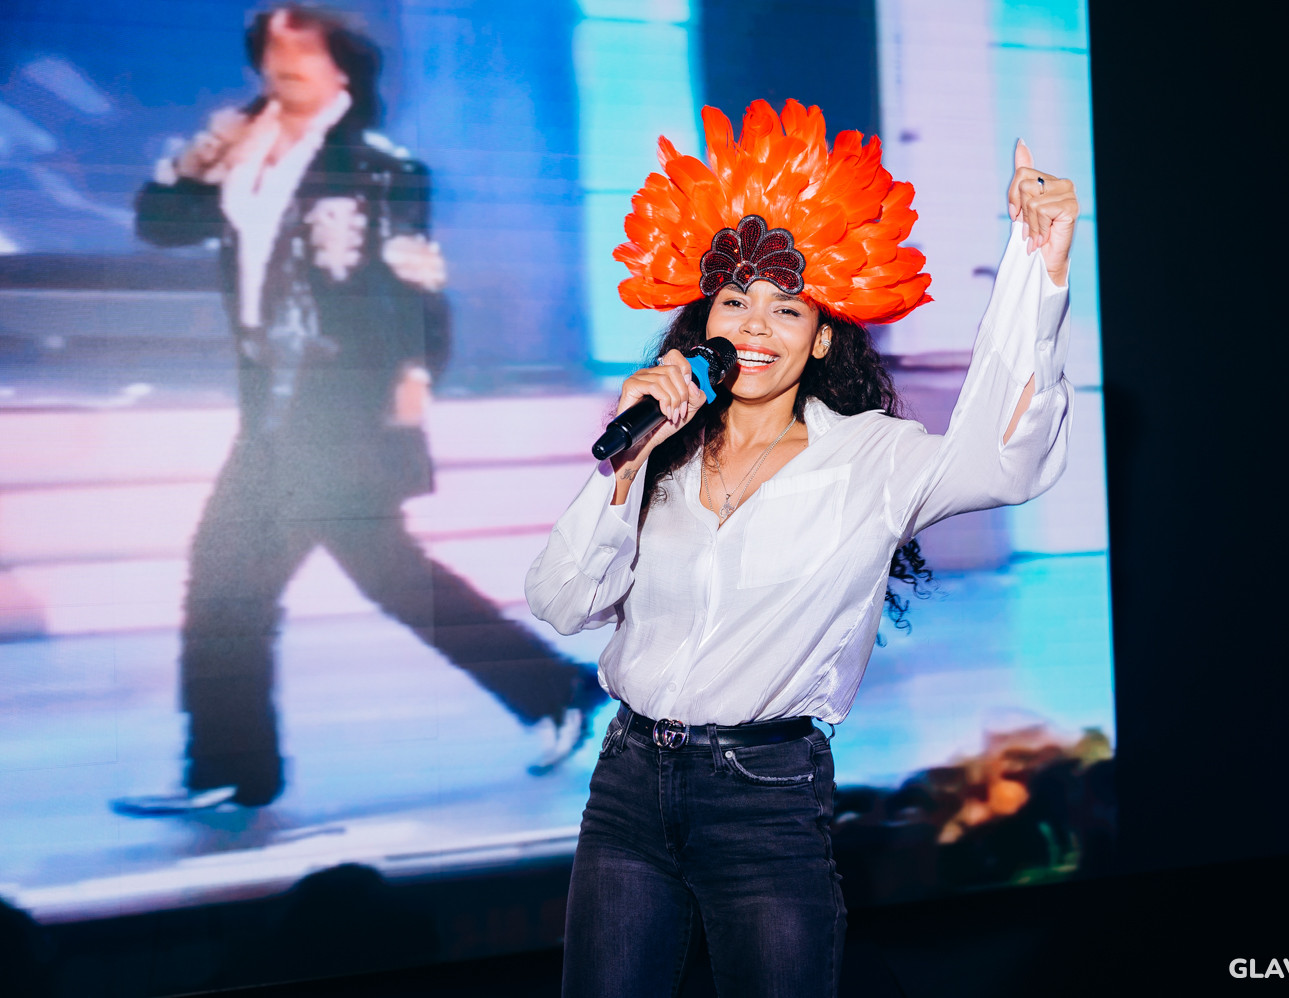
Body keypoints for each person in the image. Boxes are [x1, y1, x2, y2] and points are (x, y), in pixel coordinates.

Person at [525, 98, 1077, 997]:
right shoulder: (662, 453)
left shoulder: (869, 461)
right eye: (735, 302)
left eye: (786, 309)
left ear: (822, 339)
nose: (754, 327)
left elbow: (1006, 457)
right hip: (626, 786)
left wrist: (1036, 268)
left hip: (765, 797)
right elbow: (561, 601)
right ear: (703, 323)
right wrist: (626, 464)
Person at [113, 5, 603, 817]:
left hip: (343, 413)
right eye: (271, 47)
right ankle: (552, 689)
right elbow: (159, 224)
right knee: (381, 576)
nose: (283, 61)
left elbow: (416, 292)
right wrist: (196, 160)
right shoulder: (245, 155)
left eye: (302, 45)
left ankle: (230, 768)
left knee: (229, 584)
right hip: (272, 410)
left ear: (343, 61)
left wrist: (410, 385)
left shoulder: (379, 169)